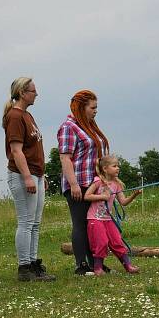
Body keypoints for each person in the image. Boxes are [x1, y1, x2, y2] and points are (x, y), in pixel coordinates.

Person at [3, 77, 55, 282]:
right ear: (22, 93)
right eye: (33, 91)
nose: (36, 94)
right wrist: (27, 177)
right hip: (23, 174)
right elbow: (16, 151)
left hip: (36, 174)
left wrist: (41, 176)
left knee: (35, 223)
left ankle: (33, 263)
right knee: (25, 222)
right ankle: (24, 267)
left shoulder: (28, 115)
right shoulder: (15, 116)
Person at [57, 90, 110, 275]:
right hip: (78, 184)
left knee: (94, 224)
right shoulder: (69, 127)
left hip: (93, 183)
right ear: (82, 107)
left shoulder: (90, 126)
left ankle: (96, 263)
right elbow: (65, 158)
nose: (96, 111)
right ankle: (82, 265)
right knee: (80, 223)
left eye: (96, 107)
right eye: (92, 107)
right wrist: (73, 185)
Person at [83, 154, 142, 276]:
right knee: (101, 242)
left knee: (117, 241)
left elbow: (123, 202)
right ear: (105, 168)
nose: (118, 168)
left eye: (118, 166)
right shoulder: (98, 182)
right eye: (114, 166)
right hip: (95, 219)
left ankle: (128, 266)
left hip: (108, 219)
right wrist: (103, 196)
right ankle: (98, 268)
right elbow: (87, 196)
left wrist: (134, 195)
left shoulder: (117, 185)